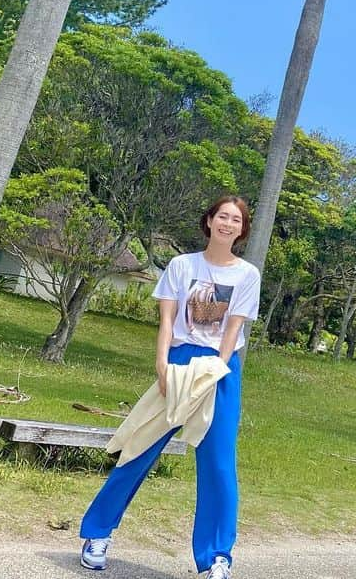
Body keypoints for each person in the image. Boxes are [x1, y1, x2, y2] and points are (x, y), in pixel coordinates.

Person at [78, 196, 261, 579]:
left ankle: (216, 558)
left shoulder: (247, 275)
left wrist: (217, 368)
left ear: (241, 230)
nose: (228, 224)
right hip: (177, 363)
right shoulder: (182, 265)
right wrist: (161, 363)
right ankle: (97, 534)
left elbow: (234, 327)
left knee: (218, 465)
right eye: (222, 216)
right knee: (139, 448)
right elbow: (167, 320)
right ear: (209, 220)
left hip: (220, 369)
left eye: (236, 220)